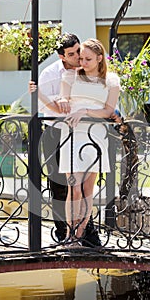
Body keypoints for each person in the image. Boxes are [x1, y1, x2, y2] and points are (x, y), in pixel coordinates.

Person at [29, 33, 101, 247]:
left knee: (86, 186)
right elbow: (49, 107)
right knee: (60, 186)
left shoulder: (86, 70)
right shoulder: (50, 74)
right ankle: (64, 234)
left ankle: (87, 233)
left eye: (78, 50)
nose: (78, 56)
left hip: (83, 134)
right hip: (55, 133)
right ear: (61, 56)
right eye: (72, 54)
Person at [57, 38, 121, 244]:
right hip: (72, 134)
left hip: (95, 136)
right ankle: (69, 234)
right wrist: (64, 100)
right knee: (73, 187)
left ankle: (79, 235)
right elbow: (63, 98)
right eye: (81, 58)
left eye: (87, 59)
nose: (82, 62)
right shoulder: (69, 76)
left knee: (86, 190)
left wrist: (84, 111)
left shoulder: (111, 80)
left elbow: (108, 111)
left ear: (100, 58)